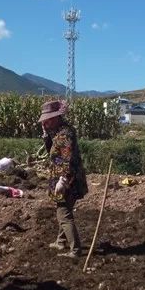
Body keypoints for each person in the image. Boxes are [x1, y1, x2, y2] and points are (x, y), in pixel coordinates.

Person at [40, 100, 88, 258]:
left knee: (63, 213)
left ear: (56, 117)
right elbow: (52, 154)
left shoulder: (64, 135)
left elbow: (66, 159)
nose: (45, 122)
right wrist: (47, 137)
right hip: (67, 176)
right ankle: (61, 242)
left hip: (67, 179)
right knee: (64, 209)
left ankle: (75, 250)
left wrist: (63, 180)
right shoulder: (59, 133)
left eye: (48, 119)